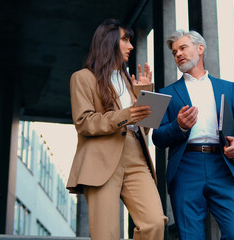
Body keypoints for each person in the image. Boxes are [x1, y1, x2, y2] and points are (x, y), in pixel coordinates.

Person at [66, 19, 167, 240]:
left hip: (135, 158)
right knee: (106, 235)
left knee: (154, 223)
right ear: (108, 42)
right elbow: (84, 122)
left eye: (130, 40)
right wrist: (127, 114)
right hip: (101, 159)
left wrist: (145, 94)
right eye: (125, 40)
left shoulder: (127, 81)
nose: (130, 46)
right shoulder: (82, 78)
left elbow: (144, 130)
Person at [152, 30, 234, 240]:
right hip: (186, 168)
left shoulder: (227, 87)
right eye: (174, 52)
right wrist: (178, 126)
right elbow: (157, 137)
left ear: (200, 48)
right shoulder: (165, 92)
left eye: (183, 48)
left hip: (224, 166)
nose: (178, 54)